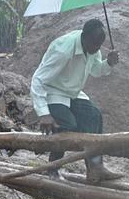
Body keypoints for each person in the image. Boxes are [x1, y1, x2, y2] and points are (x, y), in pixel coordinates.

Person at [30, 18, 122, 183]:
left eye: (100, 44)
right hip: (54, 91)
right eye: (94, 44)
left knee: (94, 116)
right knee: (67, 125)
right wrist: (43, 113)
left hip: (73, 93)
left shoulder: (93, 48)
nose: (97, 48)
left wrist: (108, 63)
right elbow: (38, 79)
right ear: (84, 37)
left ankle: (95, 168)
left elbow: (96, 70)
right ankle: (53, 168)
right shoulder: (64, 50)